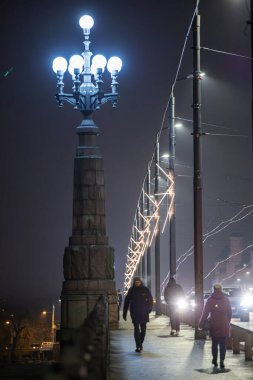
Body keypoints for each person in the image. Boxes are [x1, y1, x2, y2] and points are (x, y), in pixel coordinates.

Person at [199, 284, 232, 370]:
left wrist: (201, 324)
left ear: (213, 289)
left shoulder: (210, 300)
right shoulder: (226, 300)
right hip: (224, 324)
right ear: (221, 289)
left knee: (214, 343)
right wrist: (227, 321)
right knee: (223, 344)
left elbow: (205, 313)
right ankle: (222, 361)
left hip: (214, 324)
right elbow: (230, 313)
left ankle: (214, 360)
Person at [123, 277, 153, 353]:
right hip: (134, 312)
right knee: (136, 329)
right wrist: (124, 313)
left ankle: (140, 343)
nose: (137, 283)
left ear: (141, 282)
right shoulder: (131, 290)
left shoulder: (145, 290)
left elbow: (150, 299)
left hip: (144, 312)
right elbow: (127, 302)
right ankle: (138, 346)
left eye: (138, 282)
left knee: (143, 330)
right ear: (134, 282)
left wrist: (149, 308)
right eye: (136, 282)